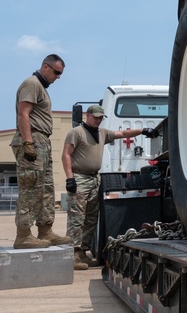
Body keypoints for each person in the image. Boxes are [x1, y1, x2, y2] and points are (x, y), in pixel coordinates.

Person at [62, 105, 158, 270]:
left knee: (91, 218)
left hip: (93, 179)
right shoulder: (76, 133)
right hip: (80, 177)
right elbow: (66, 154)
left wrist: (143, 131)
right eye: (96, 117)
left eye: (101, 118)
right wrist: (70, 178)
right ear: (88, 116)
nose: (98, 120)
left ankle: (83, 252)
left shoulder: (102, 133)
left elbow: (122, 134)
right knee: (76, 218)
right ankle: (73, 254)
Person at [10, 54, 72, 249]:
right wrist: (28, 142)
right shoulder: (32, 84)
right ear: (45, 67)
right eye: (56, 72)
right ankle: (23, 235)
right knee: (31, 189)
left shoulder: (41, 88)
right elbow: (23, 114)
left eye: (60, 73)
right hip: (33, 139)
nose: (58, 77)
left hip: (42, 141)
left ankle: (45, 230)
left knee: (45, 188)